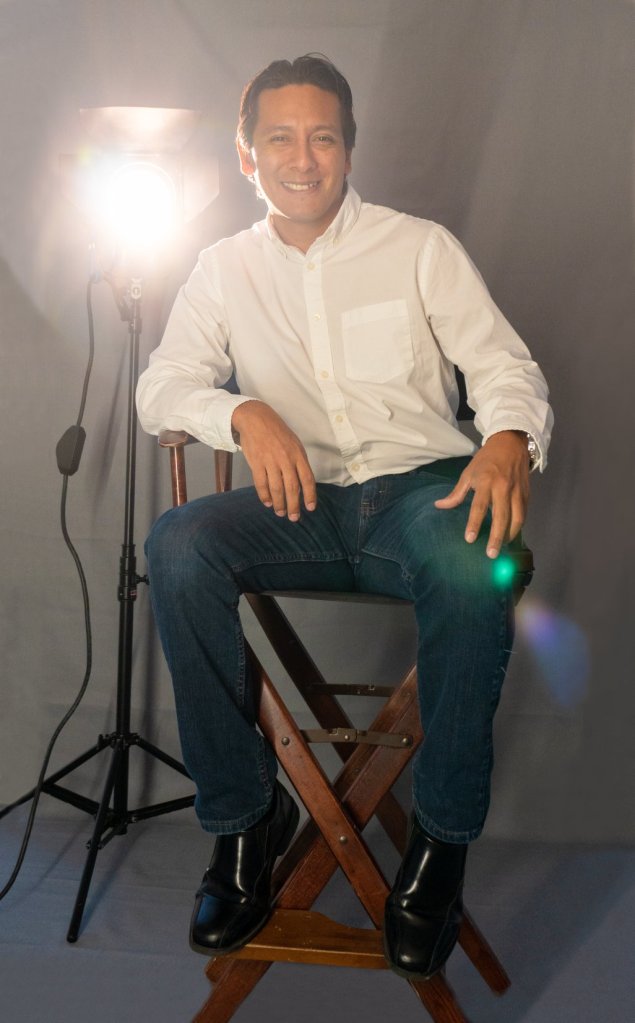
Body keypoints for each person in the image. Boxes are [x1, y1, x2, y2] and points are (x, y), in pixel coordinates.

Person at [136, 54, 552, 980]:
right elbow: (161, 386)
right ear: (247, 156)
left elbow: (504, 368)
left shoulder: (419, 247)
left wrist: (506, 436)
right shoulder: (222, 268)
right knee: (180, 544)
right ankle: (247, 819)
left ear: (348, 149)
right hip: (299, 506)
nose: (302, 157)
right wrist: (240, 412)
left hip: (421, 498)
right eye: (279, 138)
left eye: (322, 137)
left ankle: (438, 846)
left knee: (469, 559)